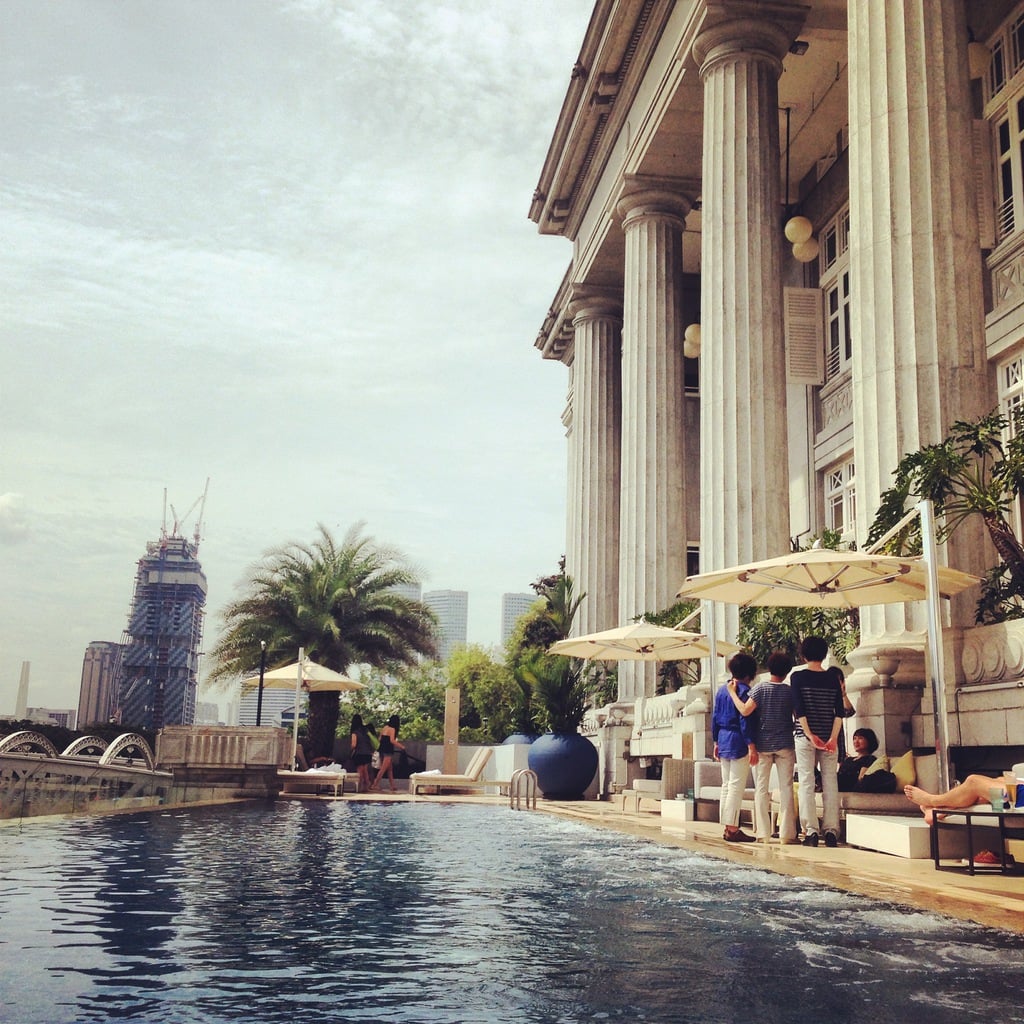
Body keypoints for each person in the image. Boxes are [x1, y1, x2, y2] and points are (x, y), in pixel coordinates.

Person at [727, 650, 797, 844]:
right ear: (786, 672)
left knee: (761, 790)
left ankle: (763, 833)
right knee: (786, 788)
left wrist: (733, 694)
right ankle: (787, 834)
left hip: (762, 745)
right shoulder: (789, 691)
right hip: (785, 744)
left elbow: (745, 710)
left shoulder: (759, 689)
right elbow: (796, 715)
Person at [790, 636, 845, 848]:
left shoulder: (798, 677)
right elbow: (838, 713)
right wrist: (832, 738)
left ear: (803, 655)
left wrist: (810, 734)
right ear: (824, 654)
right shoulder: (832, 678)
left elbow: (799, 708)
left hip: (805, 737)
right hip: (829, 735)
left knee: (806, 781)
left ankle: (811, 832)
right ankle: (832, 831)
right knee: (831, 782)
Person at [712, 651, 759, 843]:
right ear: (749, 673)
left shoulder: (722, 690)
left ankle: (727, 825)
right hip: (738, 739)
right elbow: (745, 720)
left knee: (726, 785)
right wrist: (751, 745)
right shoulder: (744, 692)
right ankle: (732, 828)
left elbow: (714, 717)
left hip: (723, 737)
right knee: (735, 786)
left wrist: (715, 741)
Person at [905, 776, 1012, 824]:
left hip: (1013, 803)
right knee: (999, 780)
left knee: (974, 782)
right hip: (1009, 798)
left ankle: (934, 801)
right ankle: (947, 807)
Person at [836, 727, 895, 792]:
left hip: (849, 787)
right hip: (836, 784)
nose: (856, 741)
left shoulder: (870, 759)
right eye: (854, 738)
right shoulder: (848, 759)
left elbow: (861, 779)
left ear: (869, 741)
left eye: (860, 738)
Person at [370, 714, 405, 792]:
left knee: (389, 769)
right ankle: (374, 785)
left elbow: (379, 738)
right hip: (388, 750)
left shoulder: (385, 727)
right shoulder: (392, 729)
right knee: (383, 769)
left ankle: (392, 786)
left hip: (382, 749)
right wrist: (401, 746)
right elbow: (392, 740)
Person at [349, 714, 377, 791]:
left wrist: (351, 750)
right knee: (365, 770)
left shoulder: (355, 732)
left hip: (359, 753)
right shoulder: (366, 731)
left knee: (360, 771)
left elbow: (354, 744)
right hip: (367, 753)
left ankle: (359, 786)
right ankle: (366, 786)